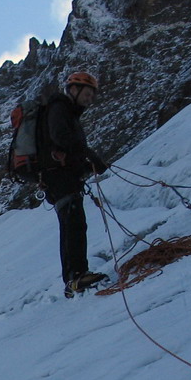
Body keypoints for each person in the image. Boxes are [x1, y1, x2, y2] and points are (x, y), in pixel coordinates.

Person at [40, 71, 109, 297]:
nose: (90, 99)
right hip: (58, 177)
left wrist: (85, 163)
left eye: (92, 95)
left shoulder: (67, 112)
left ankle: (74, 277)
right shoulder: (59, 107)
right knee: (73, 223)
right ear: (74, 90)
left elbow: (65, 147)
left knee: (73, 222)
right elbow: (61, 138)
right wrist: (88, 155)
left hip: (60, 176)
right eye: (87, 93)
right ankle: (76, 277)